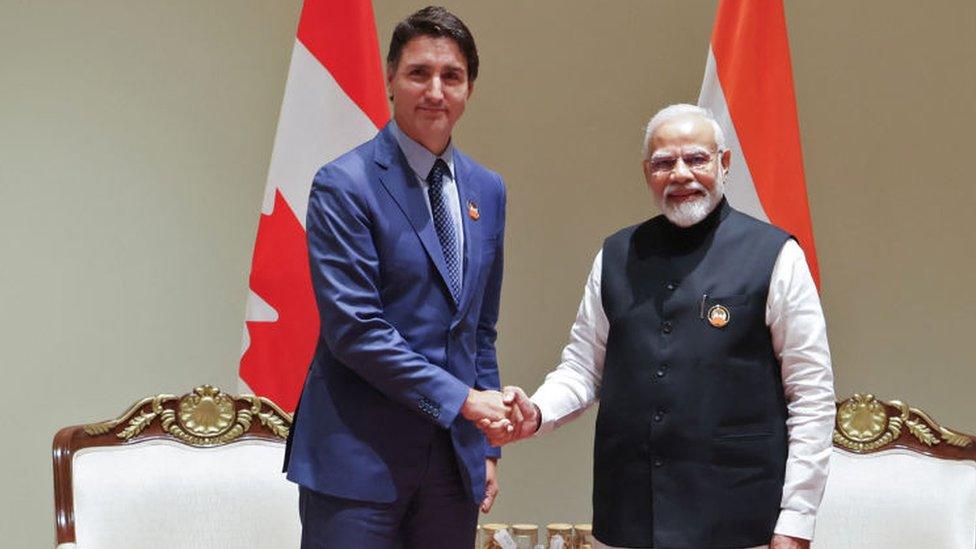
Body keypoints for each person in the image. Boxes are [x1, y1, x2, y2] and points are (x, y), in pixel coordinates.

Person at [484, 104, 835, 549]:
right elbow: (582, 368)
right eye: (664, 163)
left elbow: (812, 395)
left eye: (697, 159)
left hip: (739, 520)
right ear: (647, 173)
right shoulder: (616, 254)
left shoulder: (776, 255)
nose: (681, 174)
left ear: (724, 164)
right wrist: (536, 413)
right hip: (629, 517)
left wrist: (796, 520)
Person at [284, 7, 510, 548]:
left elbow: (478, 329)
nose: (435, 90)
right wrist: (464, 401)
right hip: (356, 463)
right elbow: (356, 331)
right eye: (418, 73)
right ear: (391, 79)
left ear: (469, 89)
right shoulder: (345, 184)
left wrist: (487, 445)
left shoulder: (488, 190)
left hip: (451, 467)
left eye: (451, 76)